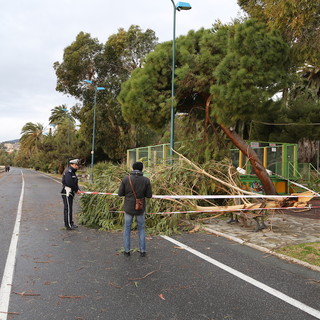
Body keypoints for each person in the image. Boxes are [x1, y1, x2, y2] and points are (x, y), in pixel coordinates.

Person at [118, 161, 152, 257]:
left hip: (128, 208)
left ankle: (127, 251)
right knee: (141, 228)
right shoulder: (146, 180)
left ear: (132, 168)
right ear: (142, 169)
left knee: (127, 228)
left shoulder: (126, 179)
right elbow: (149, 195)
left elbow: (120, 194)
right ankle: (142, 250)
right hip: (140, 208)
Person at [61, 159, 81, 230]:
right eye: (75, 165)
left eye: (77, 165)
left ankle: (70, 222)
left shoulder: (73, 173)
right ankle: (68, 225)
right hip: (67, 192)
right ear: (71, 164)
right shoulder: (68, 172)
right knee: (68, 209)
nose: (76, 166)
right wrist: (76, 189)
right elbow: (69, 183)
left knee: (70, 208)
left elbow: (75, 183)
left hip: (71, 193)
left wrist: (77, 189)